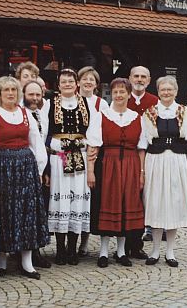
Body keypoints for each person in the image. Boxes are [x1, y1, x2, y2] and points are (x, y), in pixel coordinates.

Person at [0, 76, 49, 280]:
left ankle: (26, 261)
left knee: (27, 211)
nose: (10, 93)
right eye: (6, 90)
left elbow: (36, 141)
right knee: (5, 211)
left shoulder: (25, 114)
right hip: (4, 168)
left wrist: (39, 168)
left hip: (26, 167)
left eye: (13, 89)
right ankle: (2, 259)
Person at [142, 75, 187, 268]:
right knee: (156, 202)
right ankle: (155, 250)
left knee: (174, 202)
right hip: (155, 162)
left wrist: (182, 160)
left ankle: (170, 251)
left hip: (177, 162)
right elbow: (143, 141)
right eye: (162, 90)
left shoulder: (186, 113)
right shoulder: (149, 113)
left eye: (170, 89)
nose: (166, 92)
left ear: (176, 91)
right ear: (158, 92)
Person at [87, 78, 146, 268]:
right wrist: (90, 171)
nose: (119, 95)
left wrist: (142, 173)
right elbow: (93, 146)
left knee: (126, 204)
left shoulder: (137, 118)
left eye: (122, 92)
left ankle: (121, 252)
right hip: (108, 164)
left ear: (129, 94)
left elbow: (141, 148)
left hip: (131, 164)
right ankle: (103, 251)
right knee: (108, 202)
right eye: (116, 92)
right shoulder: (101, 115)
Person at [45, 68, 93, 266]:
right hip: (59, 158)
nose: (67, 84)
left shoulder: (87, 103)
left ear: (77, 84)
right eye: (63, 81)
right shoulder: (50, 104)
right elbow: (44, 134)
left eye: (70, 82)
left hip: (80, 156)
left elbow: (94, 131)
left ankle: (73, 249)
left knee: (77, 201)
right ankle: (61, 249)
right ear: (58, 85)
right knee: (60, 201)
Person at [76, 66, 108, 257]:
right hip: (72, 154)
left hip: (93, 154)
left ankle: (84, 242)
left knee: (90, 199)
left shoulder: (100, 104)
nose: (88, 82)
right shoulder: (70, 101)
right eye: (85, 79)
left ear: (96, 85)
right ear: (78, 81)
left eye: (92, 80)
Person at [126, 65, 158, 255]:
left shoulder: (155, 101)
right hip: (127, 156)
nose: (139, 79)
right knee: (126, 198)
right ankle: (123, 245)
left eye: (143, 76)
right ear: (130, 78)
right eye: (136, 76)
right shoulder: (122, 98)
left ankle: (137, 244)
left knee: (143, 199)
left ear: (149, 80)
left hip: (149, 156)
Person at [22, 80, 51, 268]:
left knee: (38, 212)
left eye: (38, 95)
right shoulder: (20, 114)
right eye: (30, 94)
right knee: (24, 211)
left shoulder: (42, 115)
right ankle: (21, 252)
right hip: (22, 166)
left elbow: (44, 145)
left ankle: (35, 251)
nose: (34, 98)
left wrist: (45, 170)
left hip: (39, 167)